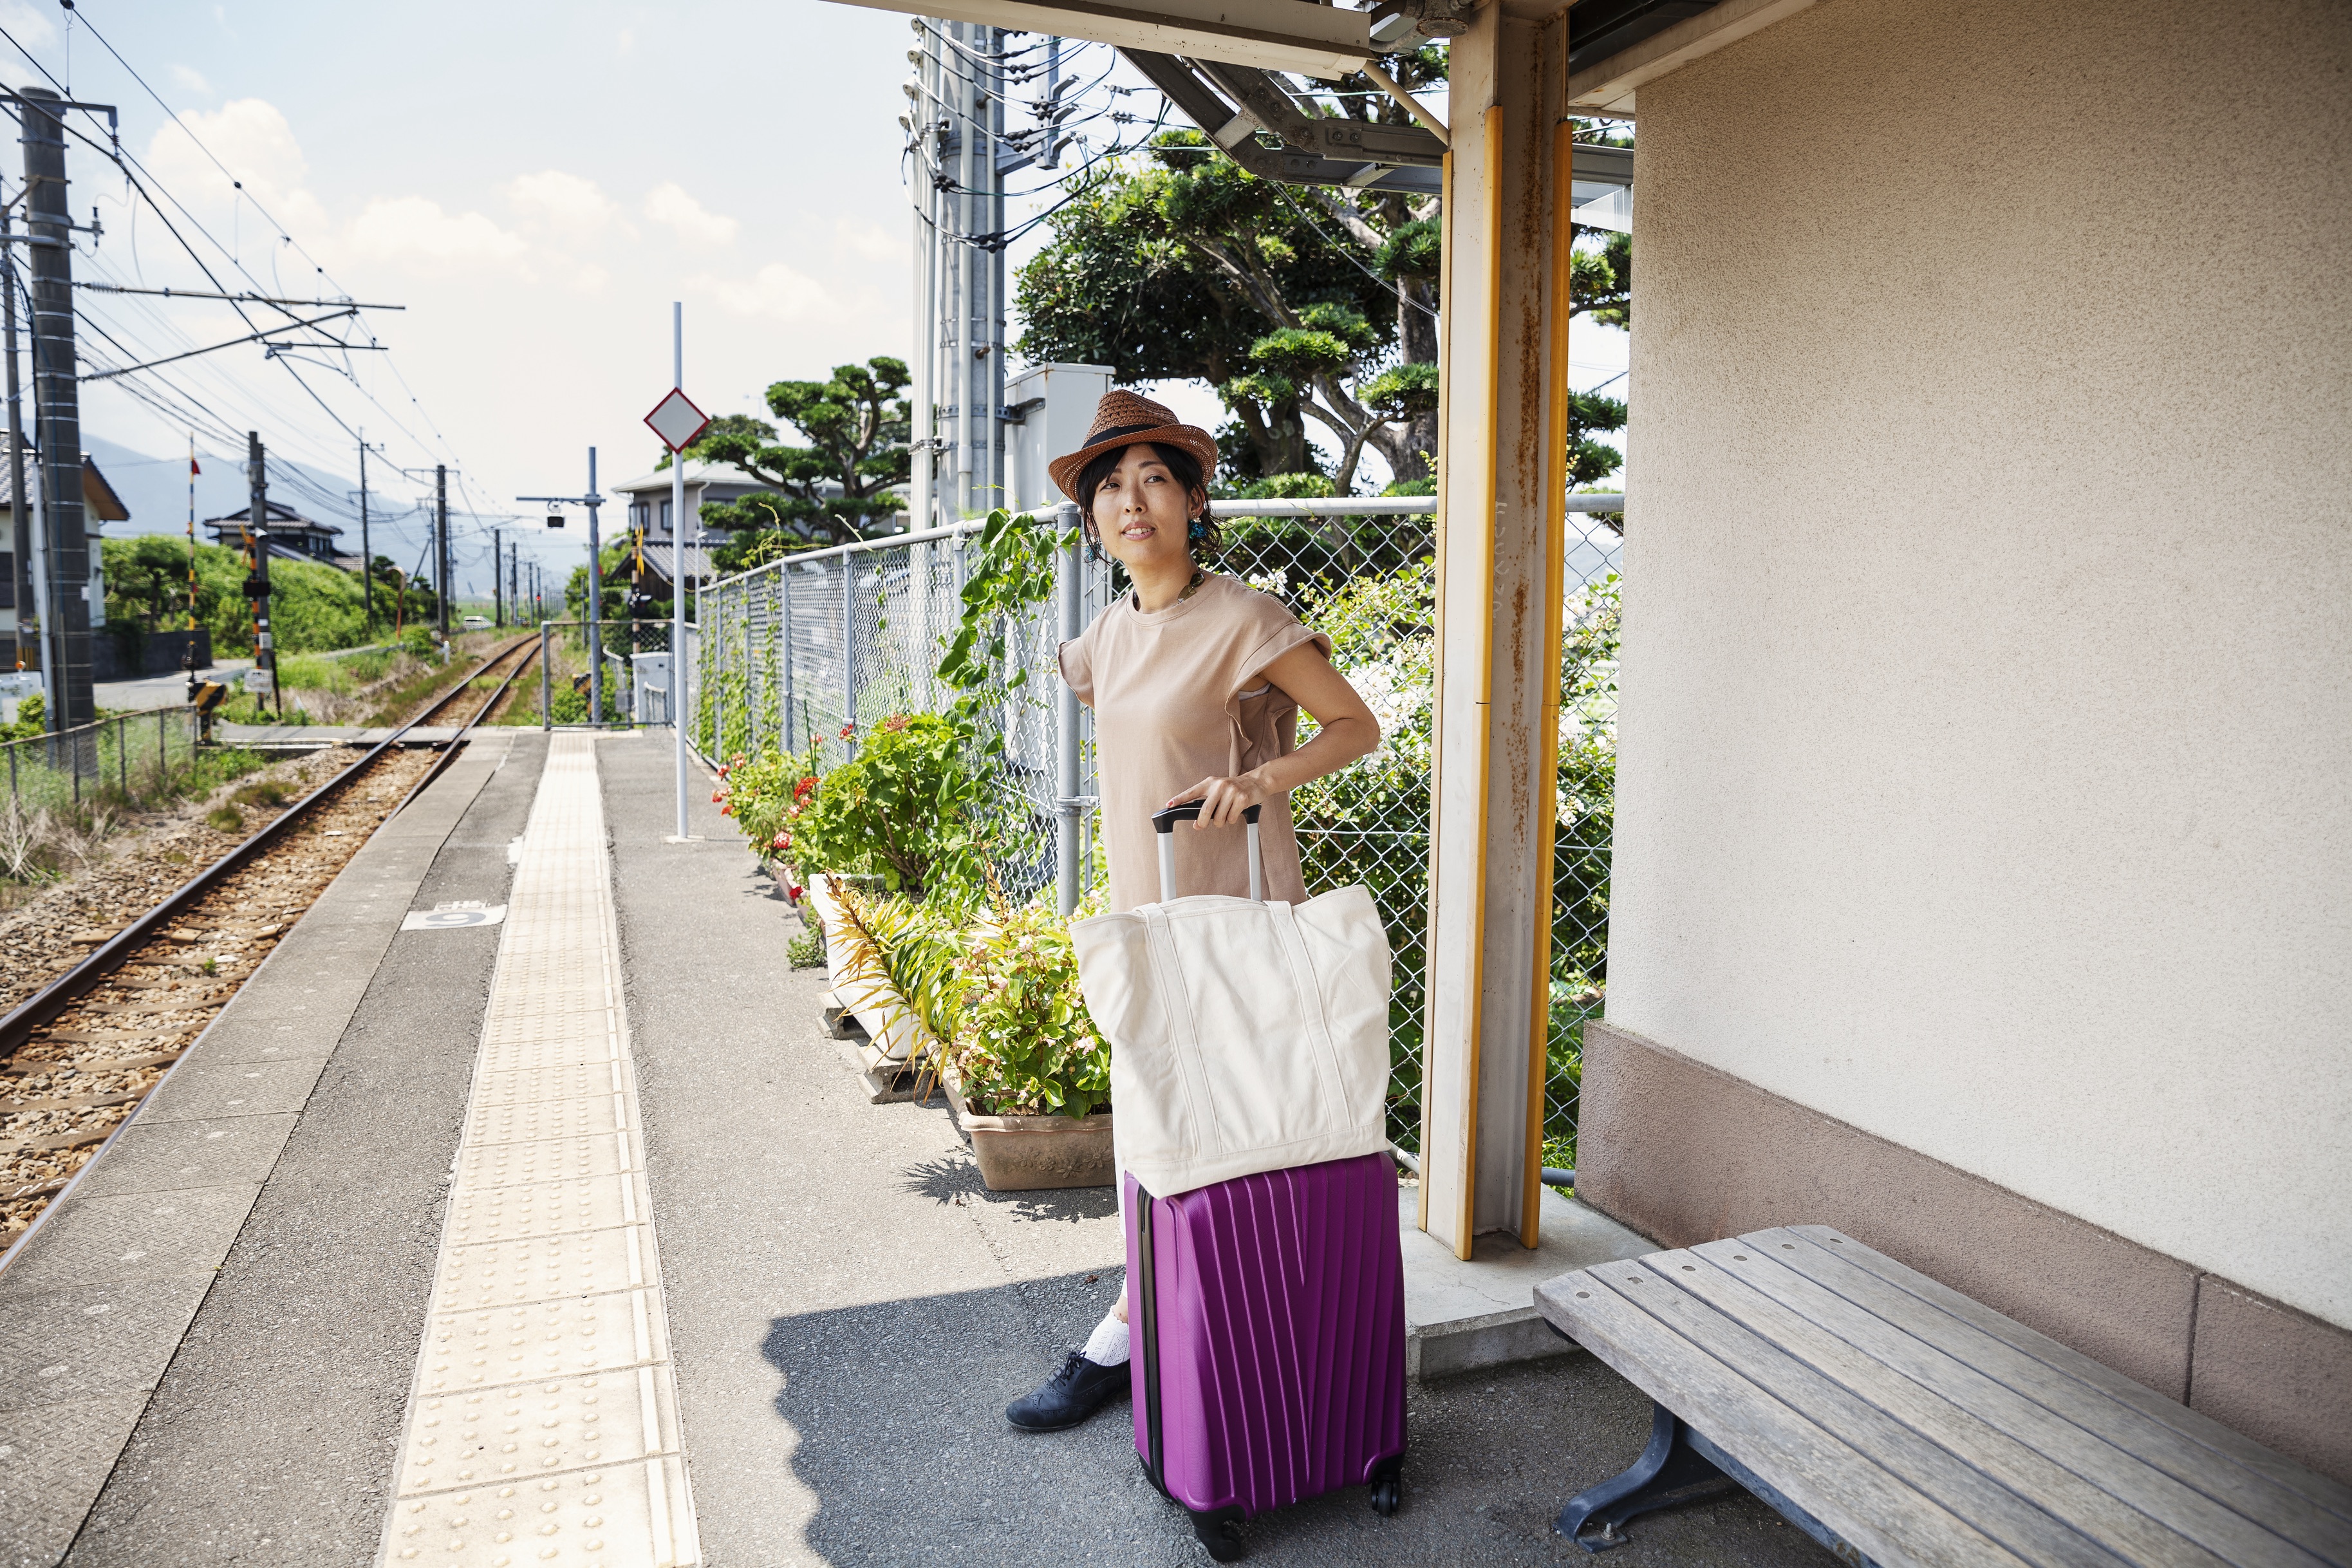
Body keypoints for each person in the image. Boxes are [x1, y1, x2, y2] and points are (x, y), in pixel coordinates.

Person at [1004, 390, 1383, 1432]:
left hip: (1235, 915)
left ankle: (1129, 1338)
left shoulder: (1246, 619)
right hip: (1147, 912)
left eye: (1155, 480)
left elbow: (1357, 728)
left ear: (1192, 502)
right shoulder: (1102, 639)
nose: (1133, 502)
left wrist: (1263, 780)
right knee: (1159, 1119)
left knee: (1221, 1129)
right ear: (1092, 520)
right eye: (1111, 488)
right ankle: (1174, 1325)